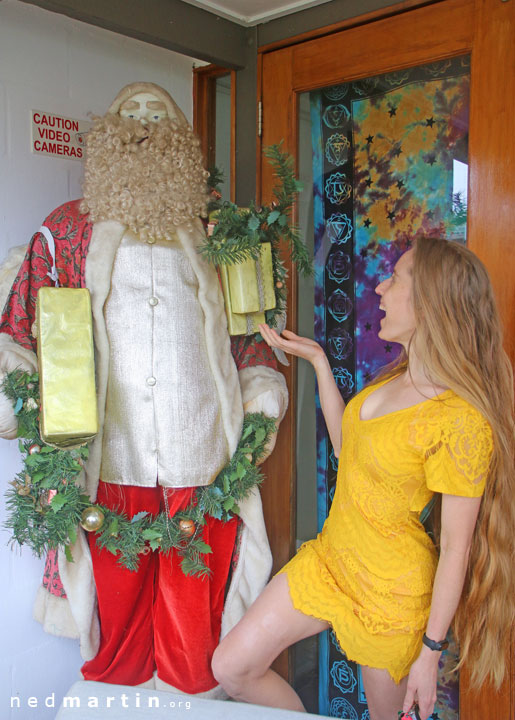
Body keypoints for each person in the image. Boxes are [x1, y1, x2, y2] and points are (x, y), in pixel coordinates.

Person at [0, 82, 288, 696]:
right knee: (116, 627)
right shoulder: (67, 233)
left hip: (202, 462)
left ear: (183, 140)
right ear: (108, 131)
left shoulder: (225, 231)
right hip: (112, 462)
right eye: (131, 113)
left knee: (195, 636)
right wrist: (23, 401)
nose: (144, 125)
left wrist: (262, 400)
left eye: (159, 115)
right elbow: (21, 329)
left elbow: (255, 336)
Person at [212, 236, 515, 720]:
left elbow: (457, 548)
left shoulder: (459, 420)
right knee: (233, 667)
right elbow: (347, 453)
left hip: (391, 593)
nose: (379, 288)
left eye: (395, 278)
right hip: (332, 560)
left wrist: (430, 651)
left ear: (430, 302)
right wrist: (319, 364)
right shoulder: (394, 379)